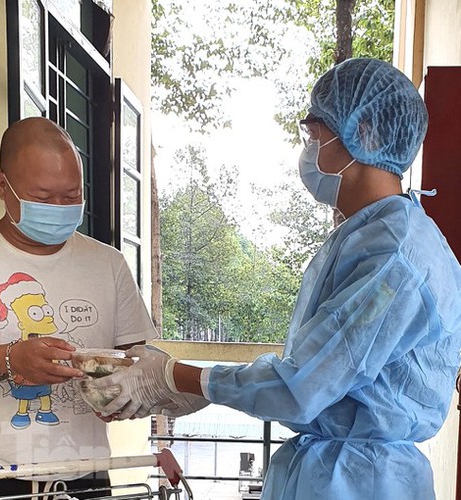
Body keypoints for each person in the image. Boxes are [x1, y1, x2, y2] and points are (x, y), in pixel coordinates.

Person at [95, 58, 461, 499]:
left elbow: (302, 385)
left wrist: (177, 377)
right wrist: (198, 384)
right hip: (336, 472)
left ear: (361, 134)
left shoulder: (392, 256)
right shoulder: (373, 235)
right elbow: (322, 365)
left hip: (359, 484)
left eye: (314, 134)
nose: (308, 148)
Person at [0, 117, 159, 499]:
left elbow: (139, 359)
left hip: (86, 476)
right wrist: (10, 360)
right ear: (2, 186)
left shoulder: (107, 263)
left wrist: (126, 393)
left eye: (72, 195)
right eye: (43, 197)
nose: (60, 207)